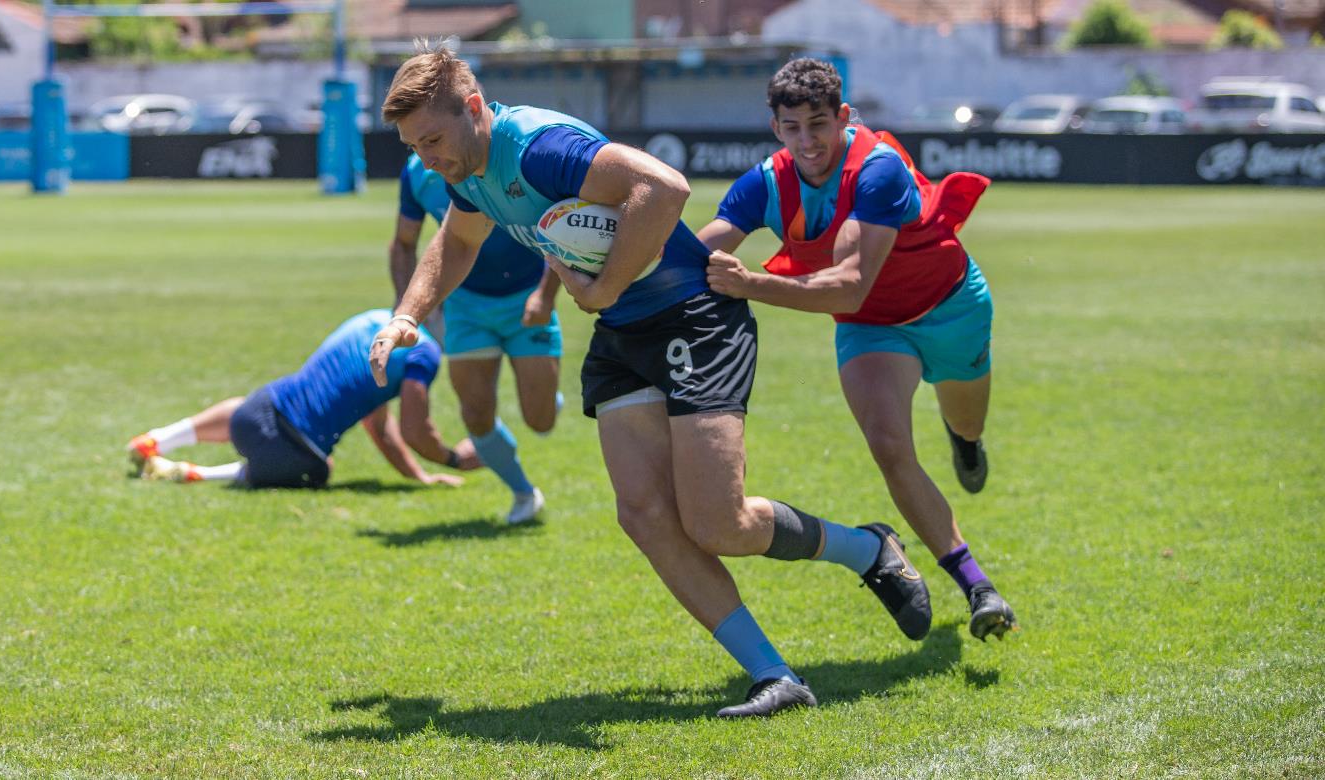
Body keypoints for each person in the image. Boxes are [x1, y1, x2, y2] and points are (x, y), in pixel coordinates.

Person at [367, 41, 933, 718]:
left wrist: (604, 285)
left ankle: (867, 548)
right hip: (625, 335)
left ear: (474, 108)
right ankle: (774, 676)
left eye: (431, 139)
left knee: (718, 522)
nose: (426, 159)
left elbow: (664, 187)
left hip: (694, 320)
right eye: (414, 146)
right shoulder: (466, 169)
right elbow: (457, 242)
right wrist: (407, 315)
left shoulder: (540, 147)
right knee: (642, 513)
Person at [696, 58, 1018, 641]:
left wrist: (752, 284)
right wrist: (614, 268)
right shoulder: (767, 181)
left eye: (818, 124)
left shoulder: (878, 169)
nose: (807, 140)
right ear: (776, 128)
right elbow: (699, 252)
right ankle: (978, 586)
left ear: (842, 117)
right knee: (890, 447)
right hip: (872, 329)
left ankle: (964, 439)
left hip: (950, 308)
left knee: (966, 423)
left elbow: (851, 281)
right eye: (792, 128)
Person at [392, 151, 563, 524]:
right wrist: (409, 308)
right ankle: (523, 493)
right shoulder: (416, 173)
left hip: (527, 297)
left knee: (541, 420)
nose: (427, 148)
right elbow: (404, 241)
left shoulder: (511, 157)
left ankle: (549, 396)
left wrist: (546, 295)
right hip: (465, 305)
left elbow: (563, 225)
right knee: (476, 414)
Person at [127, 308, 477, 490]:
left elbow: (379, 425)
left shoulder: (373, 318)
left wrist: (418, 476)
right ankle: (193, 473)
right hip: (296, 453)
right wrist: (453, 460)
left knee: (244, 406)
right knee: (323, 469)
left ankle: (157, 439)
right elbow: (414, 430)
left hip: (256, 411)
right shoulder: (424, 350)